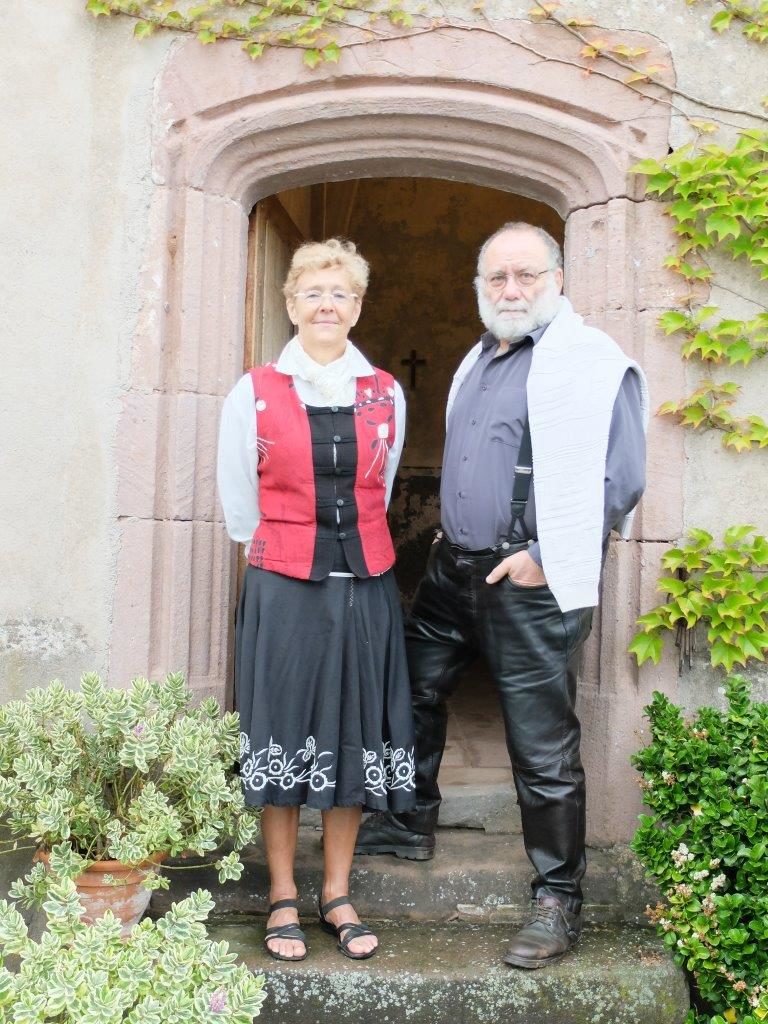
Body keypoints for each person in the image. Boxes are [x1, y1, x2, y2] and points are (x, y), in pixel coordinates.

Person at [355, 222, 648, 969]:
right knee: (413, 690)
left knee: (542, 748)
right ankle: (410, 820)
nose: (511, 290)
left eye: (527, 276)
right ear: (480, 288)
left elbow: (623, 478)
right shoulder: (478, 358)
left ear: (558, 278)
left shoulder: (591, 363)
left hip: (528, 579)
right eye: (497, 279)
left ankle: (558, 899)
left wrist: (545, 558)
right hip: (453, 570)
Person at [217, 238, 415, 963]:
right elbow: (241, 501)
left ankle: (336, 892)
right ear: (291, 303)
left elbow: (381, 487)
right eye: (313, 292)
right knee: (284, 731)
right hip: (284, 587)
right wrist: (285, 550)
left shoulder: (384, 391)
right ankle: (279, 895)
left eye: (340, 293)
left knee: (353, 733)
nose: (326, 305)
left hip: (365, 585)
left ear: (357, 307)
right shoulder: (257, 389)